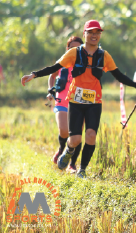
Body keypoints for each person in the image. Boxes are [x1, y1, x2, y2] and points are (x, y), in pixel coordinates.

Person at [20, 20, 136, 179]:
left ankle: (82, 170)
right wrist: (33, 75)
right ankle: (68, 150)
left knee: (91, 135)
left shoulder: (104, 56)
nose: (94, 35)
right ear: (85, 34)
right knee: (75, 139)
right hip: (75, 102)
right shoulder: (74, 53)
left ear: (100, 35)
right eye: (90, 32)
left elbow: (118, 75)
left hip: (94, 102)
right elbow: (55, 68)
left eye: (97, 33)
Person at [47, 36, 83, 173]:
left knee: (77, 135)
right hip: (62, 99)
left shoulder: (84, 64)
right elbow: (51, 75)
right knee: (63, 130)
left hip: (78, 101)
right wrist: (50, 90)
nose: (75, 50)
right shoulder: (62, 62)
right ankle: (62, 149)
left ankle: (72, 164)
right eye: (72, 47)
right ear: (67, 49)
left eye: (78, 48)